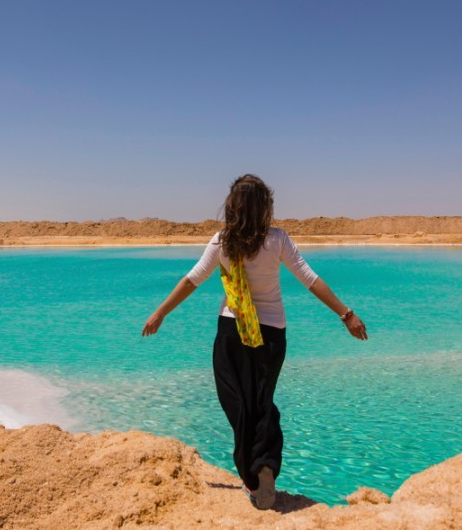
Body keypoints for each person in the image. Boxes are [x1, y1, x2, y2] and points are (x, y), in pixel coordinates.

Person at [142, 174, 367, 510]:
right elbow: (309, 279)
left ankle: (252, 473)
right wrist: (346, 314)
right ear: (265, 206)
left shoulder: (222, 242)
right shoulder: (276, 240)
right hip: (272, 333)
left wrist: (160, 313)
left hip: (233, 331)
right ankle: (265, 467)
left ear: (232, 206)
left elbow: (192, 280)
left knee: (236, 401)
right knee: (261, 401)